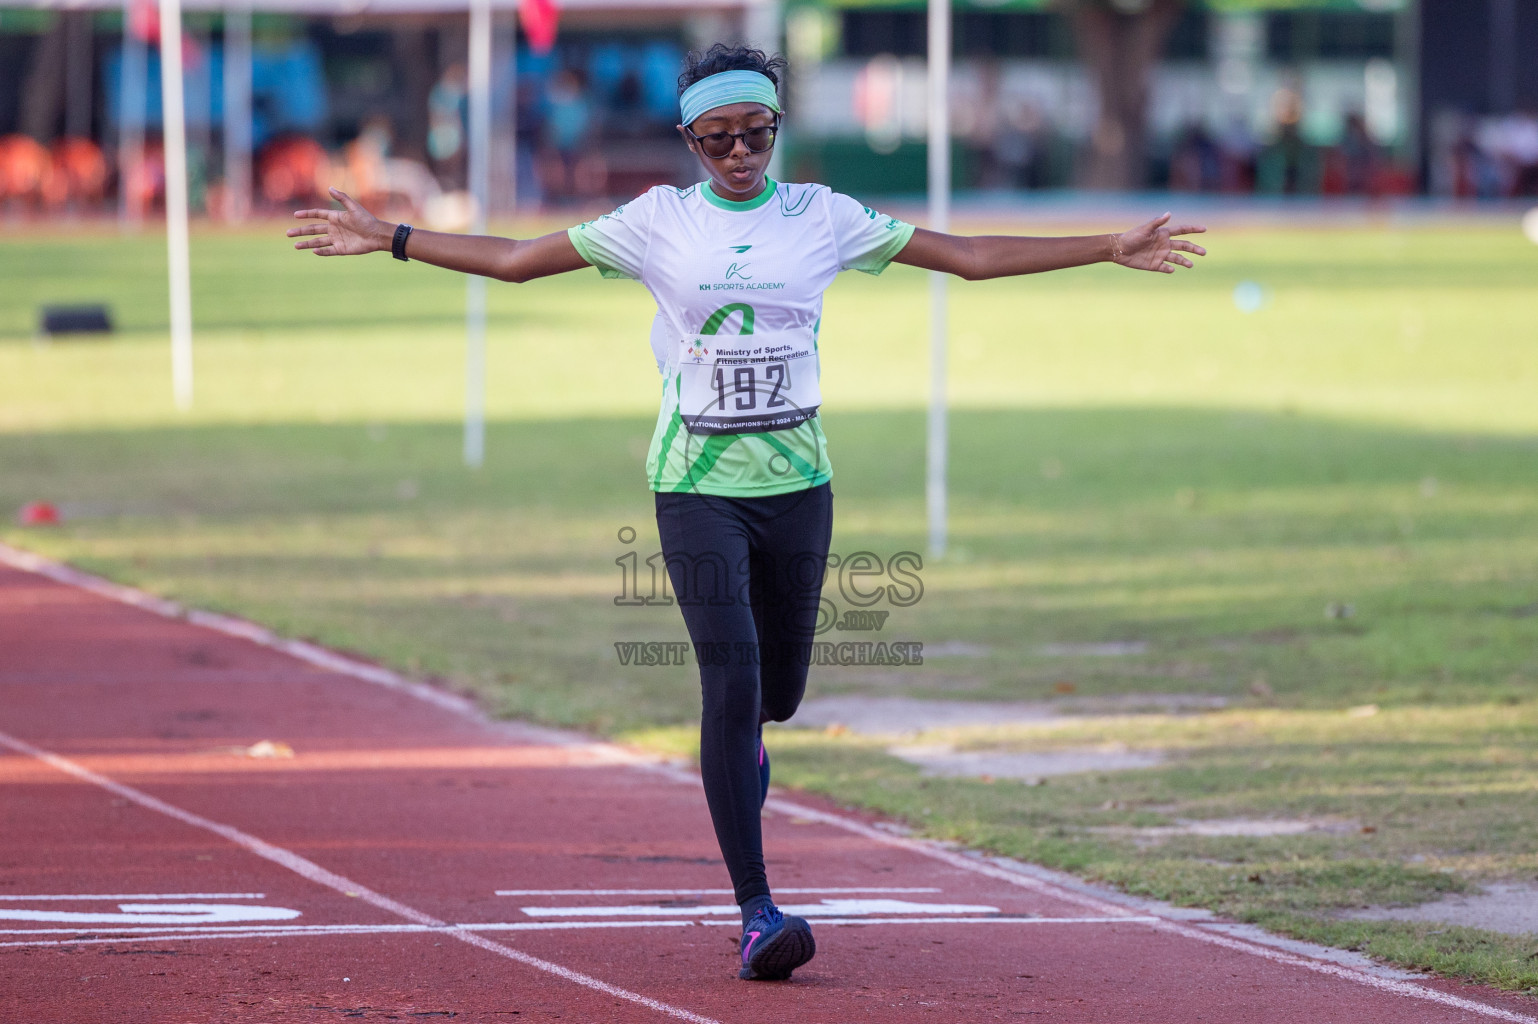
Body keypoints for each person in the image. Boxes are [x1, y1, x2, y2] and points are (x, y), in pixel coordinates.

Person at [287, 42, 1205, 983]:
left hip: (800, 488)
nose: (738, 154)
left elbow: (965, 257)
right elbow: (520, 260)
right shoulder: (657, 222)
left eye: (756, 134)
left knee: (780, 696)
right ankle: (758, 911)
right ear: (689, 139)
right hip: (696, 488)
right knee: (729, 687)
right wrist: (391, 237)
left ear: (777, 130)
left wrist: (1107, 246)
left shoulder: (821, 216)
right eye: (718, 138)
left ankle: (748, 757)